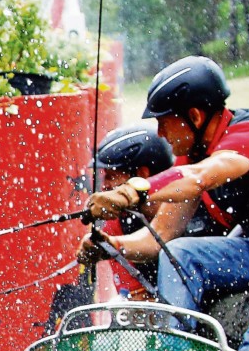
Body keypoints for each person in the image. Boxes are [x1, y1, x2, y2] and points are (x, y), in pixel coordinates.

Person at [85, 55, 249, 351]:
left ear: (194, 116)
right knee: (181, 252)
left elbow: (201, 177)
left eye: (163, 121)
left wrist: (132, 191)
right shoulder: (193, 156)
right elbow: (161, 236)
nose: (160, 133)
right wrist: (111, 246)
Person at [76, 123, 177, 301]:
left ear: (141, 175)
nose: (105, 186)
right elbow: (136, 301)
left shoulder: (189, 211)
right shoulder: (117, 226)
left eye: (111, 176)